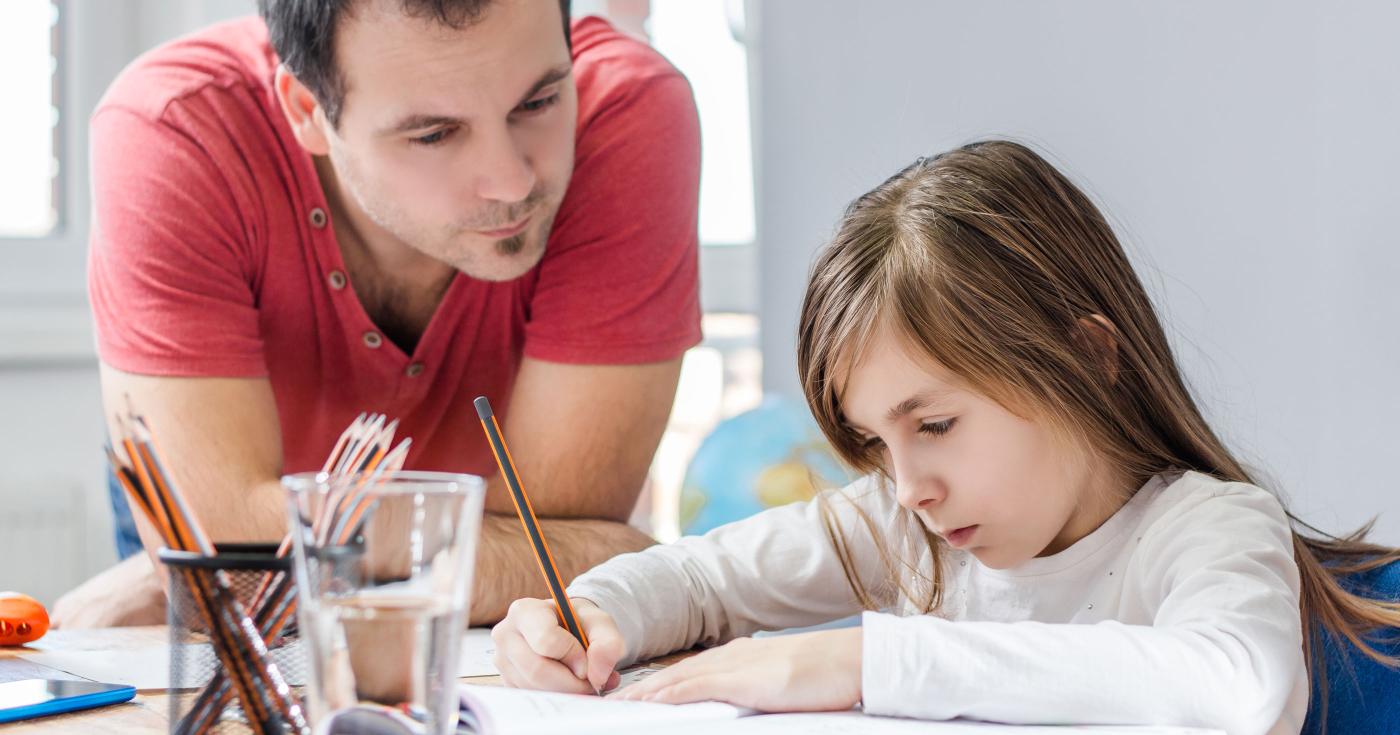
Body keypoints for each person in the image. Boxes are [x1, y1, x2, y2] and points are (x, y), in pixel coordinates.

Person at [491, 141, 1400, 733]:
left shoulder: (1206, 527)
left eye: (934, 424)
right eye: (875, 443)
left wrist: (858, 658)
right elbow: (699, 577)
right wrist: (592, 613)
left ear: (1086, 358)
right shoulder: (908, 527)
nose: (909, 482)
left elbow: (1231, 687)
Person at [54, 0, 701, 627]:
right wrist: (216, 562)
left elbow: (561, 574)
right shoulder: (174, 124)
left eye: (538, 101)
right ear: (307, 109)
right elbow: (558, 556)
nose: (512, 181)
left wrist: (262, 550)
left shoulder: (626, 107)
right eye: (433, 133)